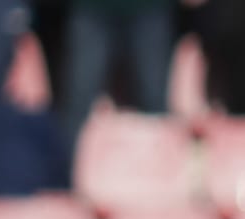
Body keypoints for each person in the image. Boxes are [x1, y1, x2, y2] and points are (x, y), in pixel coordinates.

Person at [57, 0, 172, 145]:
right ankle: (67, 164)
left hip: (150, 8)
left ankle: (161, 163)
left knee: (155, 100)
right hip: (92, 9)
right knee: (79, 100)